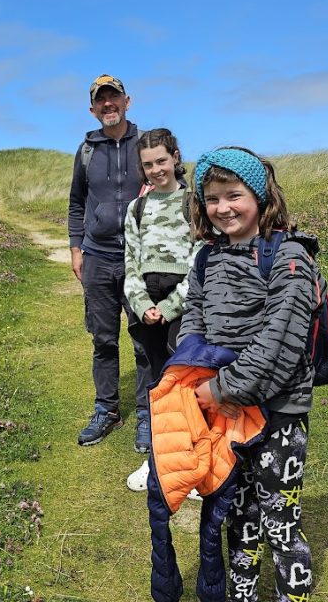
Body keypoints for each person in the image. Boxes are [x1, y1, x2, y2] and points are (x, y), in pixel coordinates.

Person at [180, 146, 317, 602]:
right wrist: (191, 379)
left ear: (259, 195)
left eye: (233, 195)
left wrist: (224, 388)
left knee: (280, 522)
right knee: (237, 515)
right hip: (225, 414)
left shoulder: (290, 256)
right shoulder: (206, 259)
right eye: (212, 199)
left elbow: (281, 337)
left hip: (278, 410)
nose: (222, 208)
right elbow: (193, 320)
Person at [68, 73, 144, 446]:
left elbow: (175, 188)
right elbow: (77, 203)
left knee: (145, 337)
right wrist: (75, 247)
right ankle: (107, 409)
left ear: (127, 101)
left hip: (139, 258)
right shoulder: (86, 152)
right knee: (103, 339)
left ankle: (148, 413)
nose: (108, 104)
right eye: (102, 100)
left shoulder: (147, 145)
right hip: (97, 257)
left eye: (114, 97)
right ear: (93, 109)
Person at [122, 129, 197, 491]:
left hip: (183, 307)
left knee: (187, 384)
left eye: (162, 161)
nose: (156, 169)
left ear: (176, 158)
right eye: (148, 164)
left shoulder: (194, 204)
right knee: (156, 385)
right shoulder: (136, 208)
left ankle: (194, 463)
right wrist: (143, 306)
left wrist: (170, 307)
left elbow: (200, 262)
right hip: (147, 309)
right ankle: (157, 461)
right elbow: (131, 264)